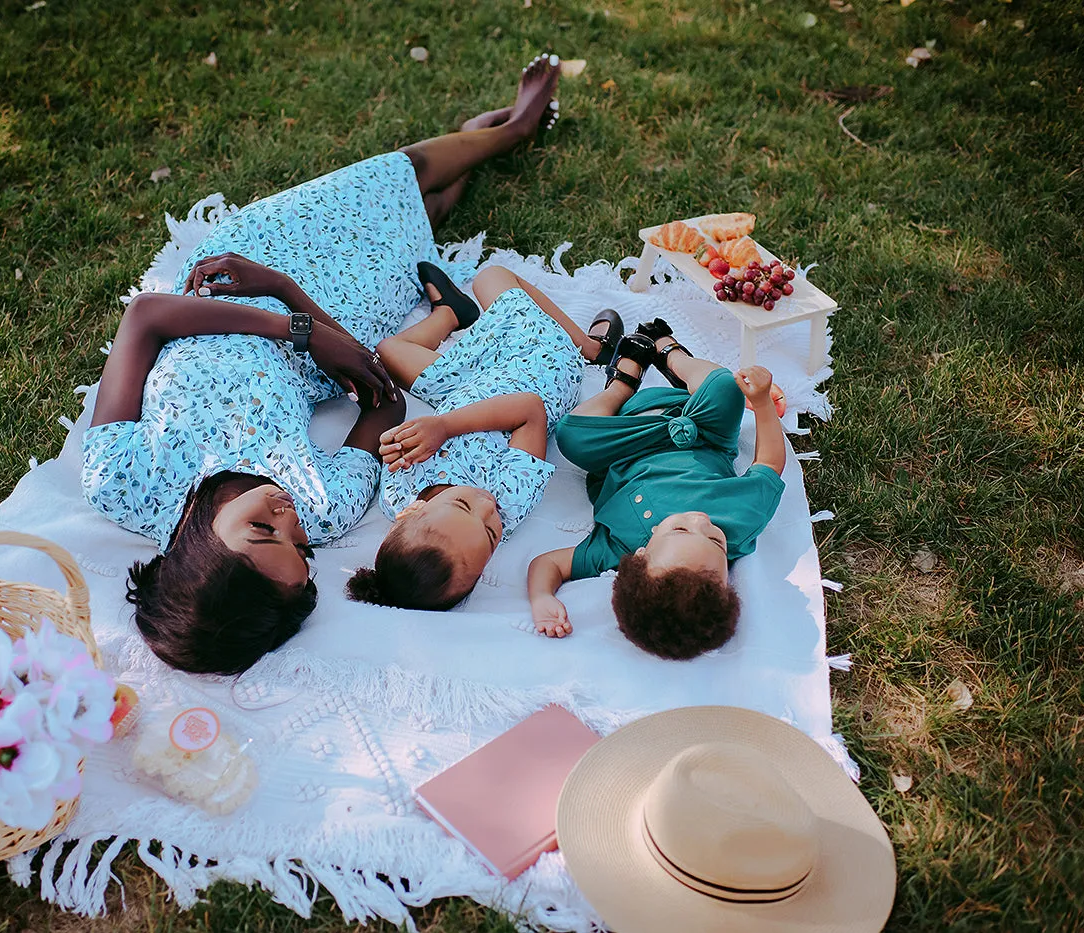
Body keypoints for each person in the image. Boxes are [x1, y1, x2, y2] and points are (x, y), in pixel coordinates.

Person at [82, 56, 563, 674]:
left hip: (235, 281)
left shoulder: (122, 482)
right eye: (300, 546)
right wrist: (294, 303)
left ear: (196, 548)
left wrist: (287, 313)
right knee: (420, 226)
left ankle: (509, 131)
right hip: (324, 323)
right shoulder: (325, 507)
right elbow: (384, 399)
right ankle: (476, 146)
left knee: (400, 174)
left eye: (261, 528)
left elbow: (147, 317)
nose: (285, 515)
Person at [346, 264, 623, 610]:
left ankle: (450, 314)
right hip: (536, 370)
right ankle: (589, 348)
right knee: (491, 278)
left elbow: (399, 440)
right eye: (492, 536)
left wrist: (397, 438)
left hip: (468, 384)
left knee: (388, 350)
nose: (486, 507)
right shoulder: (509, 498)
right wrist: (443, 427)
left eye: (463, 505)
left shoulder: (396, 493)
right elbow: (530, 411)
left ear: (412, 512)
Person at [525, 321, 787, 658]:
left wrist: (541, 597)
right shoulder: (743, 521)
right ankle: (671, 354)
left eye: (680, 529)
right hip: (700, 432)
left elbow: (550, 564)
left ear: (640, 556)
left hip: (626, 440)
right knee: (726, 386)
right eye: (716, 541)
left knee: (571, 434)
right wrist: (763, 403)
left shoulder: (615, 547)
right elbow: (769, 464)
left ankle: (621, 383)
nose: (700, 520)